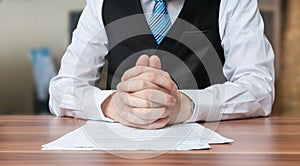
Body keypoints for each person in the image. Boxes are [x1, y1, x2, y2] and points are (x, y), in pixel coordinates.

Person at [49, 0, 275, 129]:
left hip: (209, 150)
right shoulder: (102, 3)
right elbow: (63, 88)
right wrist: (112, 105)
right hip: (120, 152)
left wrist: (187, 105)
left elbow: (259, 89)